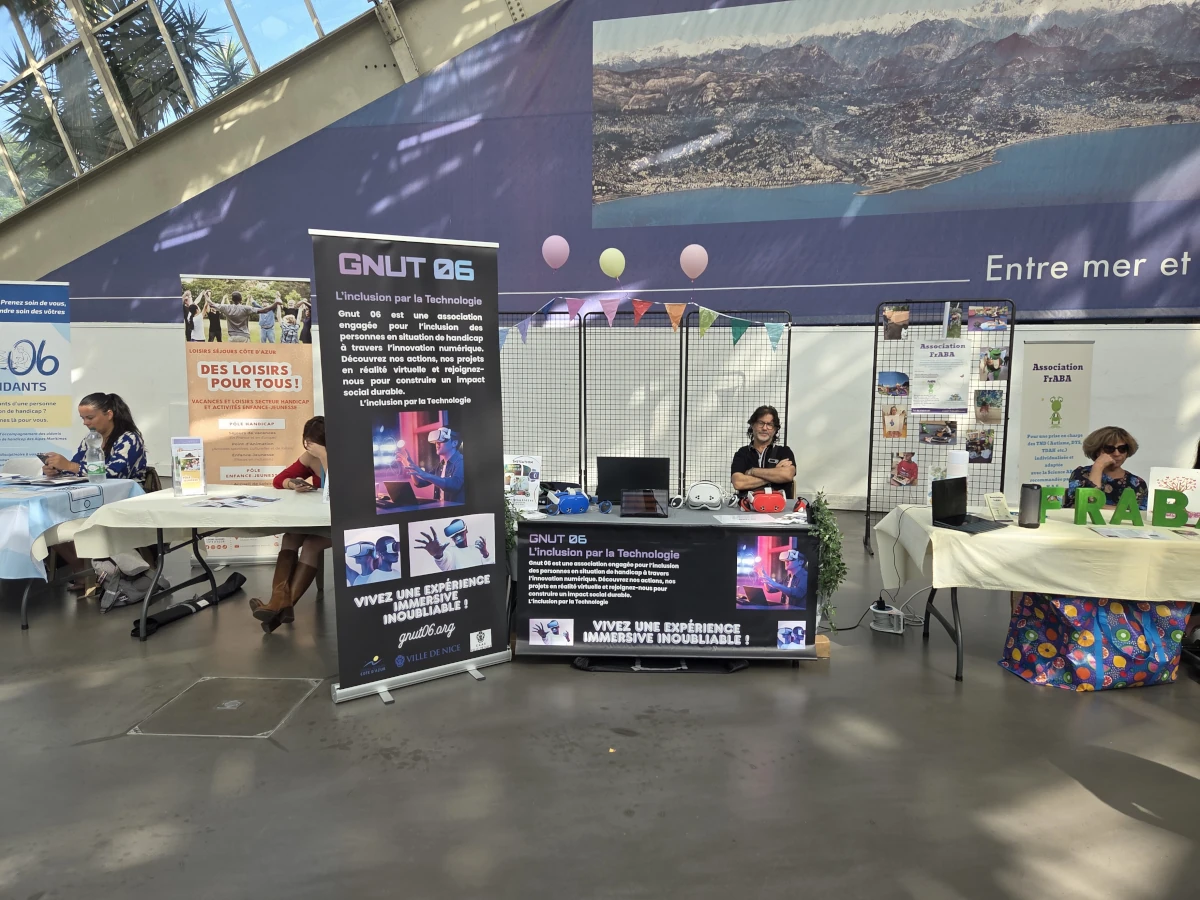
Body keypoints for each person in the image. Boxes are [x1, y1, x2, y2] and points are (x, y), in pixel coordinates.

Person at [40, 393, 147, 588]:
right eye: (82, 418)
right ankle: (80, 569)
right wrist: (55, 470)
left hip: (122, 499)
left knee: (74, 517)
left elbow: (115, 473)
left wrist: (70, 466)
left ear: (109, 414)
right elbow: (76, 467)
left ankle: (95, 571)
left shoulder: (129, 438)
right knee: (47, 519)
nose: (85, 422)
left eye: (89, 417)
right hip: (91, 496)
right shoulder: (90, 439)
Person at [249, 416, 331, 633]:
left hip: (341, 518)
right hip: (317, 517)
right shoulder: (310, 457)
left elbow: (339, 487)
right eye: (307, 443)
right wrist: (292, 483)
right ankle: (279, 603)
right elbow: (279, 479)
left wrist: (324, 456)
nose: (309, 447)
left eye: (313, 443)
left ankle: (278, 608)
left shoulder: (342, 456)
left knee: (312, 545)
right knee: (290, 536)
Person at [1064, 426, 1147, 509]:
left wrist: (1102, 507)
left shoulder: (1138, 483)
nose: (1117, 454)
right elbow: (1087, 505)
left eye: (1122, 448)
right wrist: (1098, 466)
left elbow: (1140, 514)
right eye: (1109, 449)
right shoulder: (1081, 473)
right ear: (1096, 451)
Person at [730, 405, 796, 499]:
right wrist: (775, 474)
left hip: (780, 509)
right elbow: (738, 483)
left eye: (770, 424)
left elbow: (787, 475)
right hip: (748, 509)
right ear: (753, 425)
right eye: (761, 423)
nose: (765, 428)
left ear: (775, 429)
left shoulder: (784, 451)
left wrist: (753, 471)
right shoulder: (742, 453)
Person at [402, 427, 465, 504]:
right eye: (436, 441)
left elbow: (455, 485)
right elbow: (419, 483)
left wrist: (426, 475)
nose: (437, 443)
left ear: (454, 443)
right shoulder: (440, 465)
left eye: (442, 440)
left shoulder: (461, 461)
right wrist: (410, 466)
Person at [414, 518, 489, 571]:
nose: (457, 535)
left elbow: (490, 569)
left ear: (466, 530)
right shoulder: (450, 551)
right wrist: (438, 556)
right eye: (453, 534)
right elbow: (445, 564)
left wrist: (485, 554)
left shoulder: (477, 549)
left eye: (459, 531)